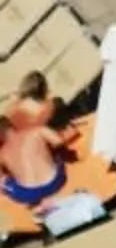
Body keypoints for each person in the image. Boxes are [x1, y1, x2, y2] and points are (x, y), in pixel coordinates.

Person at [3, 73, 72, 209]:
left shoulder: (11, 110)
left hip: (27, 192)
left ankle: (36, 206)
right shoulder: (46, 108)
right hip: (55, 181)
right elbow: (58, 141)